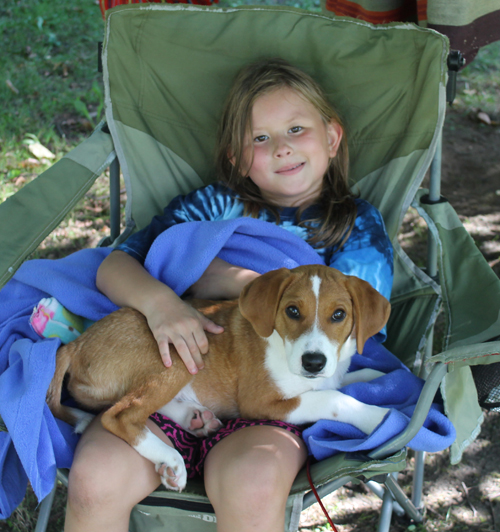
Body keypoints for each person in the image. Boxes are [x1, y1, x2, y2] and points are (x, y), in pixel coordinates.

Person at [63, 58, 393, 532]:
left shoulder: (356, 224)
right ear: (237, 158)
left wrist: (230, 282)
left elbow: (349, 315)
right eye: (260, 138)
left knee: (253, 484)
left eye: (296, 128)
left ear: (332, 138)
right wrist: (163, 303)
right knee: (95, 480)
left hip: (270, 413)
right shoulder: (214, 207)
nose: (281, 148)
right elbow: (120, 264)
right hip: (164, 382)